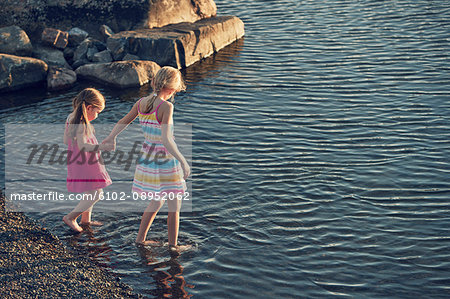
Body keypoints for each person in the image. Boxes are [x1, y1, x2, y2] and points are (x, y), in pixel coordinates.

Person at [102, 66, 190, 250]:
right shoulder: (166, 107)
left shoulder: (141, 102)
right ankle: (173, 247)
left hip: (148, 157)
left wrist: (111, 137)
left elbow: (123, 121)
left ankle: (140, 239)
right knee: (174, 203)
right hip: (165, 158)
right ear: (173, 88)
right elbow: (166, 140)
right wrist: (182, 160)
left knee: (157, 200)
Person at [63, 88, 114, 233]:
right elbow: (84, 146)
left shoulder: (70, 117)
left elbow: (66, 140)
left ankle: (86, 220)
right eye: (97, 112)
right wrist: (102, 146)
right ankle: (71, 217)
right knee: (97, 193)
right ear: (89, 108)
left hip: (76, 160)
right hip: (86, 161)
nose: (97, 116)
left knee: (90, 190)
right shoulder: (81, 123)